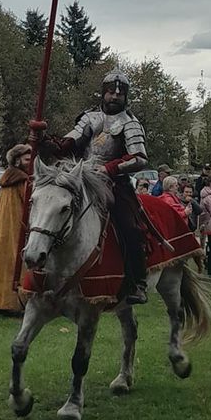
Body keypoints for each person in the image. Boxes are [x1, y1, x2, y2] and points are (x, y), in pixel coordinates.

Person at [45, 71, 149, 303]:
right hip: (80, 179)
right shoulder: (89, 118)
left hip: (114, 184)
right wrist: (49, 141)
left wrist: (110, 168)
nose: (115, 97)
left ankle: (136, 283)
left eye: (119, 94)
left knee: (131, 228)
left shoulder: (130, 124)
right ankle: (43, 270)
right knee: (50, 213)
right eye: (111, 92)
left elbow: (140, 157)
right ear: (104, 93)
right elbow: (71, 142)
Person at [0, 144, 31, 315]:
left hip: (6, 229)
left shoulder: (7, 178)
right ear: (17, 160)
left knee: (3, 262)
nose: (30, 162)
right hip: (16, 228)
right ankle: (12, 303)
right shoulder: (22, 179)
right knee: (15, 262)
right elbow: (29, 203)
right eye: (27, 159)